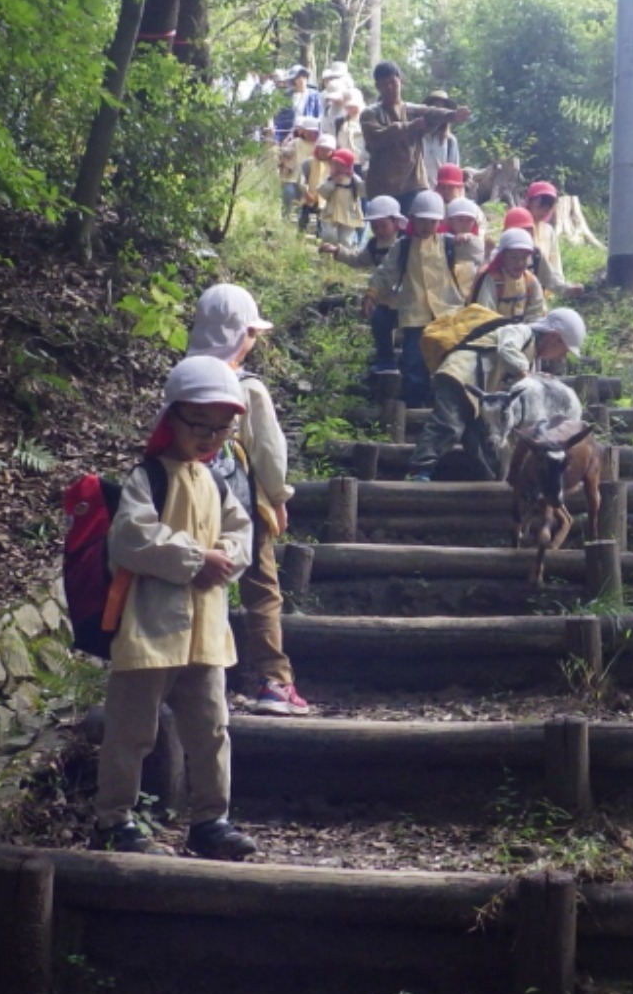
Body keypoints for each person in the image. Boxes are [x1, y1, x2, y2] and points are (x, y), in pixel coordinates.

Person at [95, 356, 258, 860]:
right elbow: (129, 538)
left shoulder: (217, 481)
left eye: (221, 429)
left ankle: (212, 819)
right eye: (199, 425)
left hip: (206, 632)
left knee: (211, 729)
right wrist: (195, 559)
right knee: (131, 730)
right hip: (149, 627)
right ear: (172, 419)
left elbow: (241, 531)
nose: (210, 437)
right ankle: (114, 818)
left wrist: (226, 557)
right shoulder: (148, 476)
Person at [185, 287, 310, 719]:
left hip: (187, 504)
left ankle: (193, 682)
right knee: (262, 592)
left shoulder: (181, 381)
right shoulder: (246, 387)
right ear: (241, 335)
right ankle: (274, 681)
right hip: (243, 506)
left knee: (197, 586)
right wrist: (278, 498)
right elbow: (268, 453)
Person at [409, 308, 586, 483]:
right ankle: (420, 472)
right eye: (564, 348)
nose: (561, 356)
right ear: (554, 336)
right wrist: (527, 373)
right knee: (449, 425)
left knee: (483, 438)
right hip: (460, 374)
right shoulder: (521, 331)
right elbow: (507, 348)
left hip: (481, 395)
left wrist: (533, 376)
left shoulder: (533, 358)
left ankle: (490, 481)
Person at [366, 188, 477, 407]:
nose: (426, 226)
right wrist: (372, 294)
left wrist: (469, 238)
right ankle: (415, 402)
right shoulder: (403, 246)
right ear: (413, 220)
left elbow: (477, 252)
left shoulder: (447, 243)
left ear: (440, 222)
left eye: (432, 221)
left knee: (450, 359)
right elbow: (386, 273)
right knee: (413, 360)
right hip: (415, 314)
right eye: (422, 221)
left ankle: (449, 401)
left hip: (447, 312)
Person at [360, 61, 470, 213]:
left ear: (401, 81)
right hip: (383, 186)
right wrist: (409, 127)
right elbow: (377, 138)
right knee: (386, 232)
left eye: (393, 82)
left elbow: (433, 112)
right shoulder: (369, 114)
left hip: (413, 183)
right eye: (384, 84)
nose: (390, 88)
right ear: (378, 87)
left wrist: (454, 115)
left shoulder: (411, 109)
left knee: (414, 230)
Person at [324, 195, 407, 375]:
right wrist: (338, 251)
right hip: (384, 297)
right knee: (380, 322)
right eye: (375, 226)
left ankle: (408, 362)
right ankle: (385, 360)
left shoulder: (406, 243)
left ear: (396, 222)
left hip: (408, 297)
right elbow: (359, 259)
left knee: (410, 331)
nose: (379, 230)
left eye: (383, 225)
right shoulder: (374, 245)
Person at [470, 226, 548, 320]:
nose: (519, 263)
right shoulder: (494, 280)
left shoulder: (530, 281)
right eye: (513, 258)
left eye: (524, 258)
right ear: (503, 257)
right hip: (494, 330)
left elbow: (537, 312)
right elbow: (485, 315)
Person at [524, 181, 574, 294]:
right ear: (530, 202)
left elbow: (555, 259)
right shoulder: (520, 226)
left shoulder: (549, 231)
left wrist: (561, 285)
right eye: (540, 206)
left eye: (547, 208)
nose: (543, 212)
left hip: (544, 288)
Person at [320, 148, 365, 249]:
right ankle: (326, 255)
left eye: (342, 165)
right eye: (336, 164)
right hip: (331, 211)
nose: (338, 168)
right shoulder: (330, 178)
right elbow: (322, 192)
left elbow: (363, 192)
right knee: (329, 235)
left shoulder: (354, 180)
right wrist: (333, 183)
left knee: (345, 239)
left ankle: (342, 258)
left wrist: (364, 182)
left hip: (349, 213)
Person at [420, 95, 462, 189]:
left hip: (441, 192)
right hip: (418, 190)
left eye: (443, 109)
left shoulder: (450, 141)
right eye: (435, 108)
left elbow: (453, 171)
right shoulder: (417, 136)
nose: (439, 113)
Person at [444, 195, 488, 265]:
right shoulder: (439, 236)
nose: (464, 224)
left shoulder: (478, 238)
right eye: (460, 220)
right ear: (449, 221)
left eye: (469, 220)